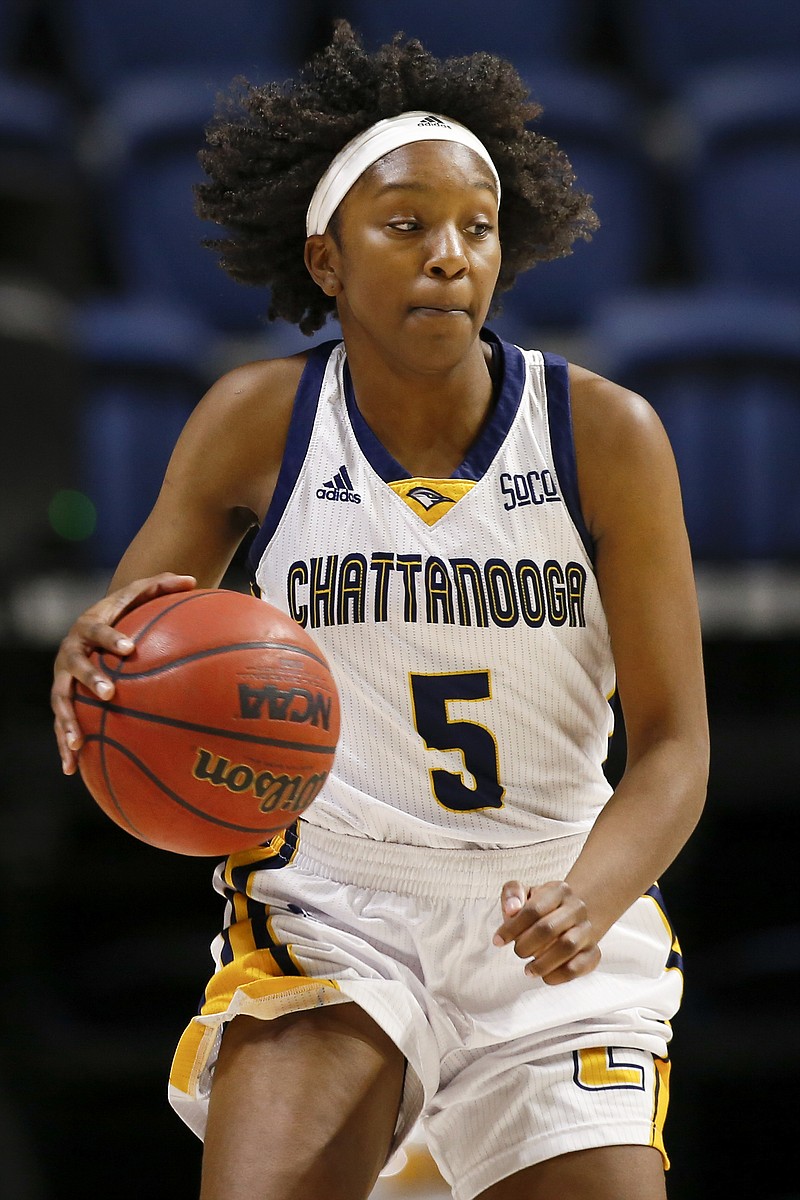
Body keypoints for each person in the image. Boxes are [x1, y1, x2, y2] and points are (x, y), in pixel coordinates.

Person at [51, 21, 709, 1200]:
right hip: (339, 908)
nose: (448, 255)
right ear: (325, 260)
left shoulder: (603, 435)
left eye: (475, 228)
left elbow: (673, 748)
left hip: (555, 901)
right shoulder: (259, 423)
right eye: (406, 226)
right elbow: (129, 636)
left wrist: (591, 894)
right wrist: (91, 666)